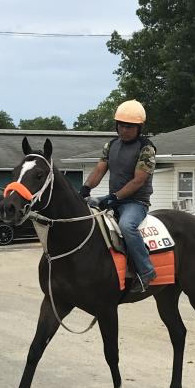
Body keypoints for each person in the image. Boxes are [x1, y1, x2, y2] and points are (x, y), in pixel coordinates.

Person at [79, 99, 157, 293]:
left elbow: (138, 181)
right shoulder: (111, 145)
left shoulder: (146, 148)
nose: (124, 130)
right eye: (121, 125)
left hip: (135, 203)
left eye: (130, 126)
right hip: (114, 199)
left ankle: (146, 272)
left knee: (126, 227)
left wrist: (113, 197)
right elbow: (99, 170)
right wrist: (86, 188)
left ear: (139, 127)